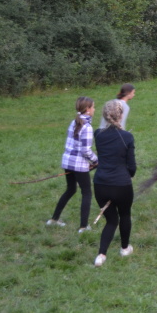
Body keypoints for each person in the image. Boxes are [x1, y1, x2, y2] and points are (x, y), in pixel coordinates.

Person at [92, 100, 137, 267]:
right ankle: (125, 249)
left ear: (105, 115)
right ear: (121, 115)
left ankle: (101, 255)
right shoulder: (127, 137)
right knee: (124, 215)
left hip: (101, 184)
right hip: (121, 185)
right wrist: (128, 175)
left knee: (111, 220)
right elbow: (132, 167)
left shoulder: (98, 134)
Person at [48, 97, 99, 233]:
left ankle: (54, 219)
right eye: (93, 107)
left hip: (68, 162)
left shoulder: (74, 122)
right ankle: (83, 227)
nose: (94, 109)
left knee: (71, 189)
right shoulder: (87, 127)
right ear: (87, 109)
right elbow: (85, 150)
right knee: (87, 192)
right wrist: (96, 161)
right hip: (79, 165)